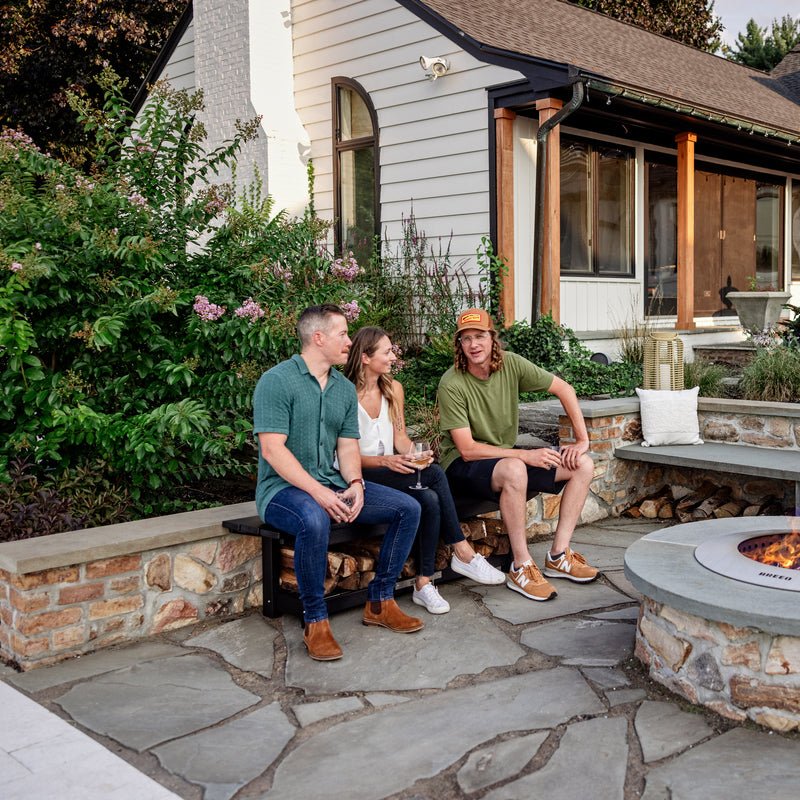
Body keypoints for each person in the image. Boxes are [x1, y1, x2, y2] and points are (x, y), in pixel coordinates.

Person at [253, 304, 424, 662]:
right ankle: (315, 620)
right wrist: (318, 492)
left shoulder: (344, 389)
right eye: (343, 334)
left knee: (407, 508)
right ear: (318, 338)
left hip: (331, 484)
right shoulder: (276, 381)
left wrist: (357, 484)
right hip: (281, 491)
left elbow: (347, 447)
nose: (349, 341)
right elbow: (272, 450)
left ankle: (380, 601)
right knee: (313, 518)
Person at [437, 308, 598, 602]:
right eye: (466, 338)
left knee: (582, 465)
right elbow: (468, 449)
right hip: (461, 467)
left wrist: (582, 440)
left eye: (479, 336)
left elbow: (564, 388)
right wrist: (526, 456)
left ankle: (558, 555)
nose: (473, 344)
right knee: (514, 468)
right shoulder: (452, 383)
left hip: (507, 459)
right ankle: (520, 566)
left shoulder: (510, 364)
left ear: (492, 338)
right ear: (459, 344)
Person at [344, 327, 506, 615]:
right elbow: (345, 455)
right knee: (434, 475)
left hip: (391, 468)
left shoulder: (393, 389)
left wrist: (415, 454)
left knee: (429, 496)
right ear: (366, 357)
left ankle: (423, 583)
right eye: (387, 352)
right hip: (359, 474)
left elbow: (400, 438)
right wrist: (388, 462)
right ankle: (462, 550)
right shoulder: (344, 394)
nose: (393, 357)